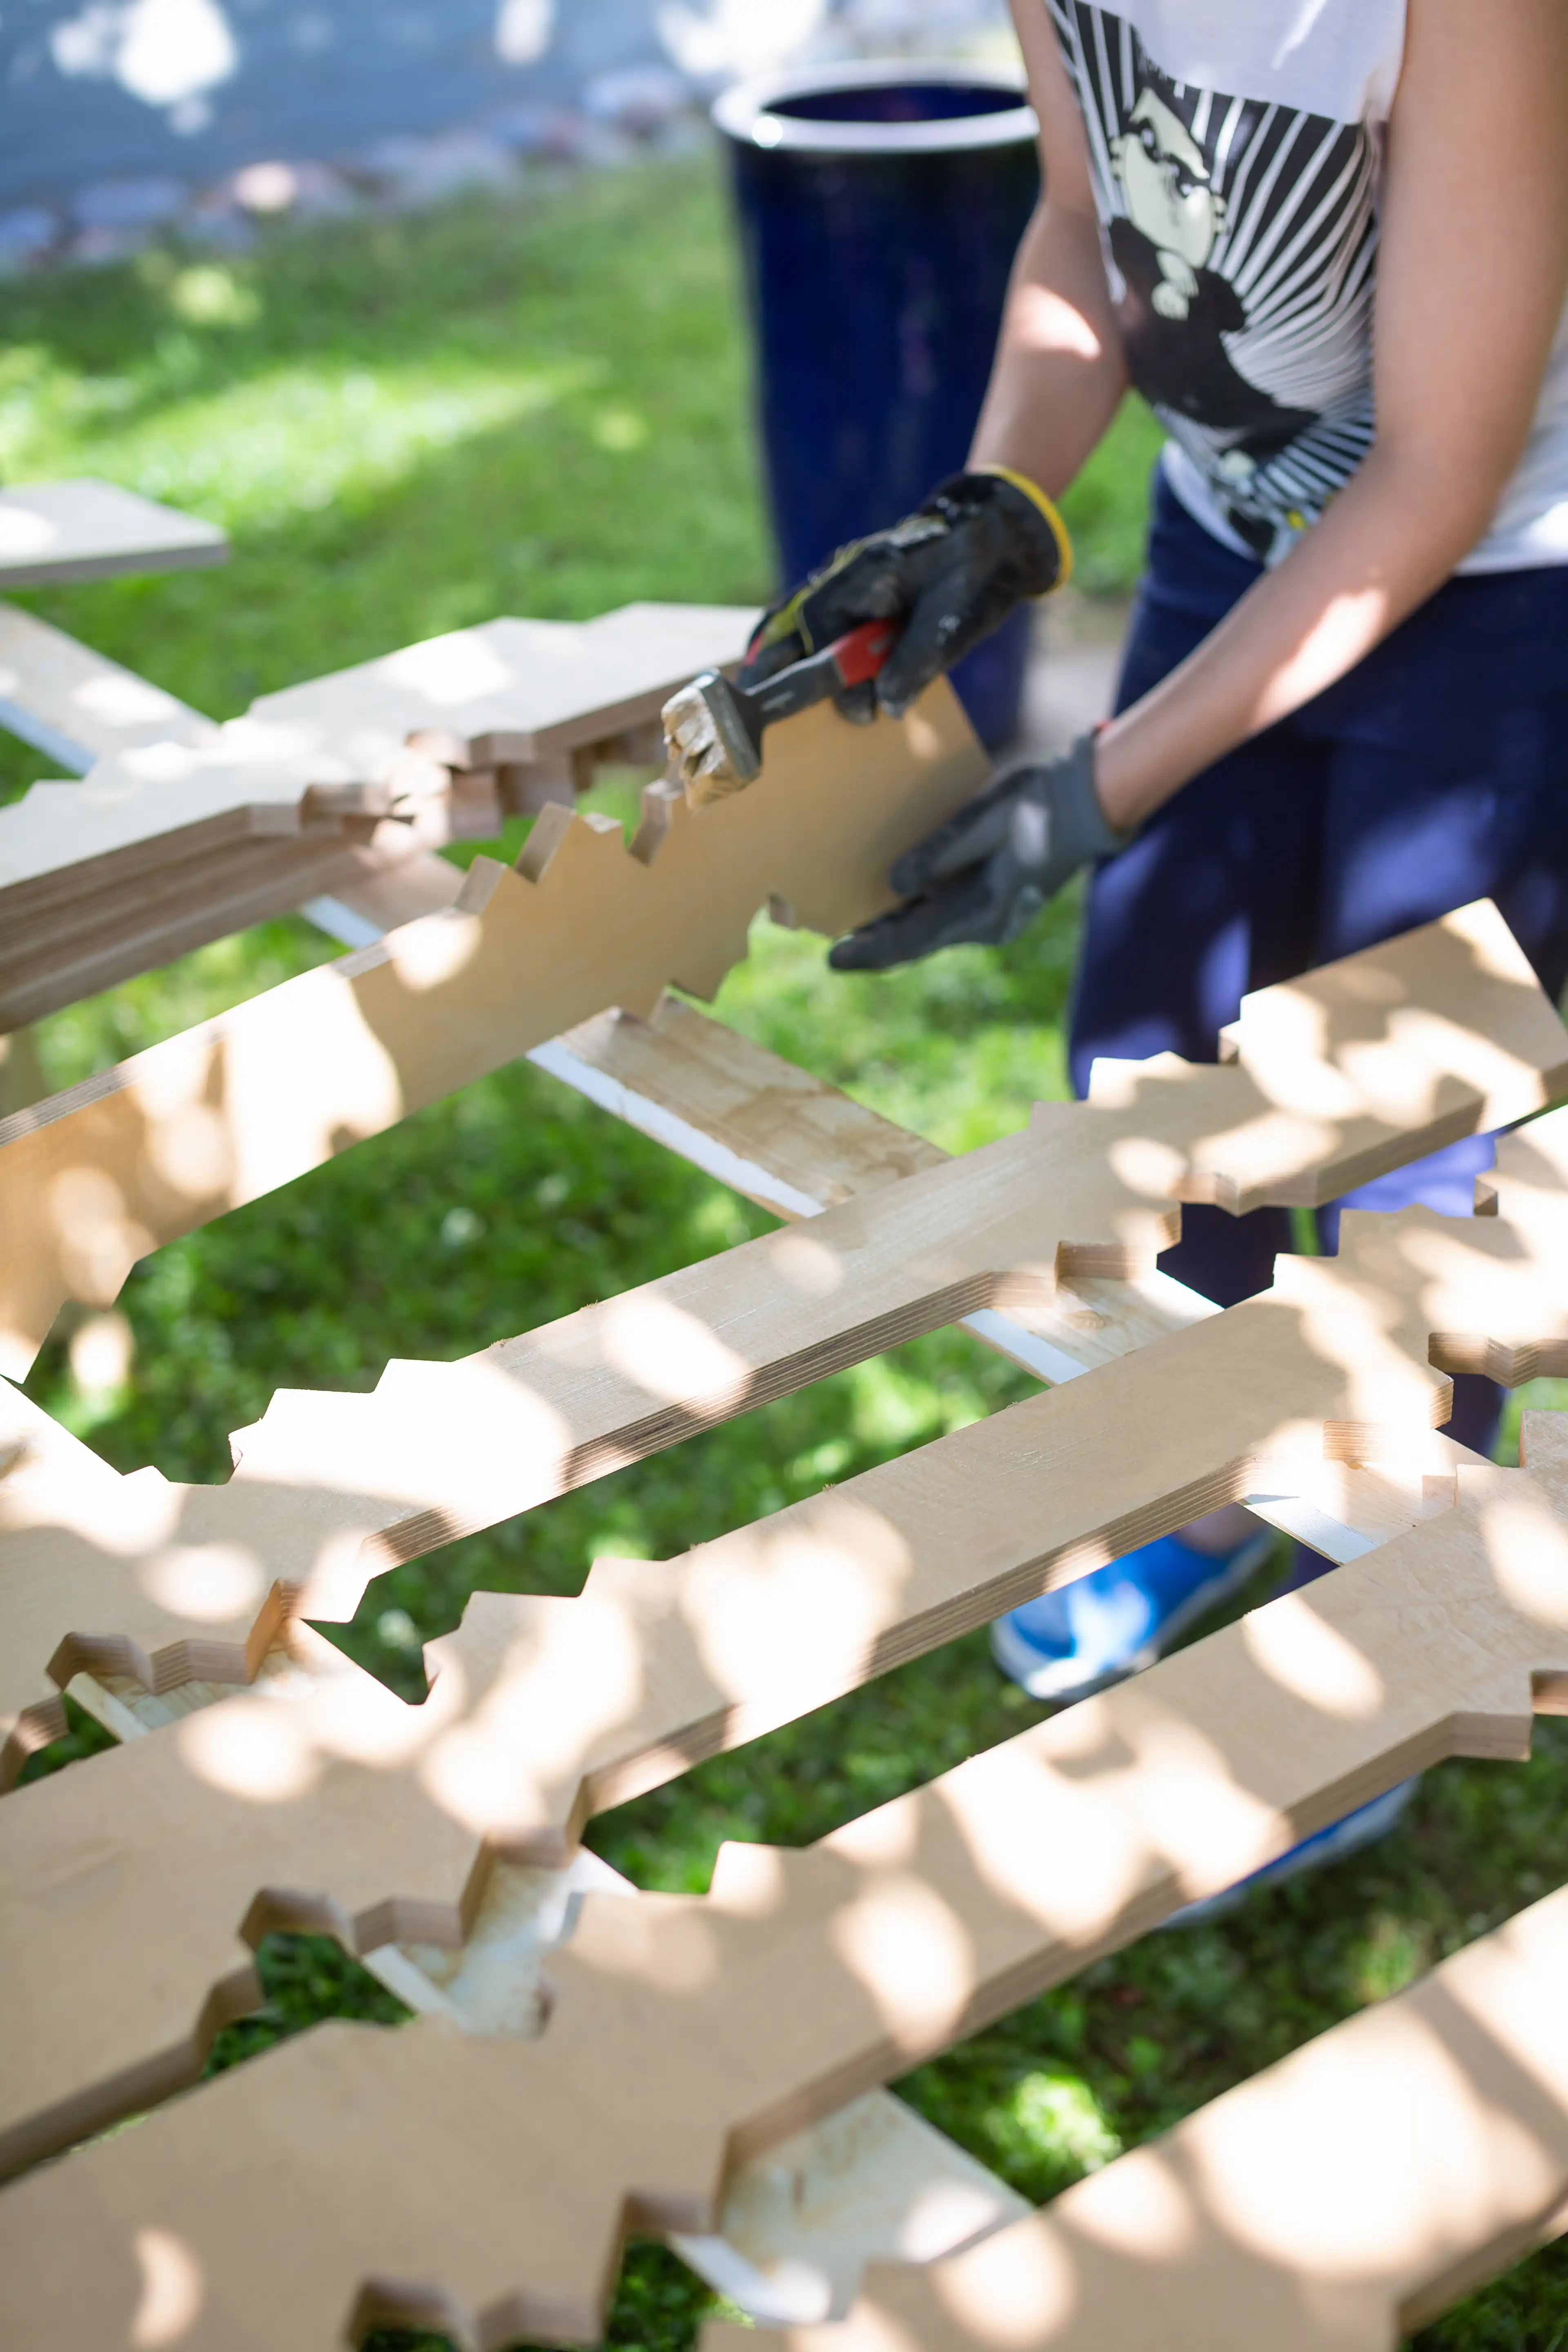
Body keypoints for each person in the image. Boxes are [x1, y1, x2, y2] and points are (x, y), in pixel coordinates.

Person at [738, 0, 1568, 1891]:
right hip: (1247, 518)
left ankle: (1390, 1618)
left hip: (1515, 573)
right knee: (1155, 1057)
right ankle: (1212, 1490)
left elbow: (1439, 471)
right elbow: (1081, 228)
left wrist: (1097, 786)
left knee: (1406, 1131)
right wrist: (1002, 503)